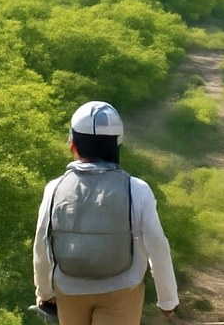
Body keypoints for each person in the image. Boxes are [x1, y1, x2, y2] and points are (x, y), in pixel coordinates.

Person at [33, 101, 179, 325]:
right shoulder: (136, 189)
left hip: (69, 288)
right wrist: (167, 300)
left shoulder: (54, 188)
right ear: (117, 144)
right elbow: (157, 245)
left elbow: (42, 243)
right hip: (122, 286)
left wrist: (44, 292)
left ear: (73, 145)